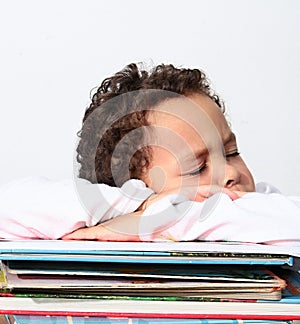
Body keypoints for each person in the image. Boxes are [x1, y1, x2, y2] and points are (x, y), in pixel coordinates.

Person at [0, 63, 299, 244]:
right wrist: (135, 205)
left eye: (231, 152)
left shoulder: (262, 205)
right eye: (197, 168)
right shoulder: (130, 206)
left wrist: (164, 216)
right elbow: (10, 206)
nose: (231, 172)